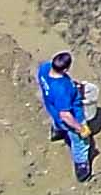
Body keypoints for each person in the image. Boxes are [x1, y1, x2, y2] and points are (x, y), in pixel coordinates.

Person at [34, 51, 94, 181]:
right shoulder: (62, 89)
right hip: (73, 117)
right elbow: (66, 115)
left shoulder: (44, 69)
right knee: (81, 143)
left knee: (58, 123)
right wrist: (80, 128)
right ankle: (81, 166)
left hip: (53, 110)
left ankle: (57, 133)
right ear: (65, 69)